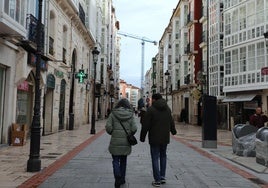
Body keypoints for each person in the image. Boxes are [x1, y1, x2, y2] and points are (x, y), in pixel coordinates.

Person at [140, 93, 177, 187]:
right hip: (165, 137)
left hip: (154, 138)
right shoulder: (167, 109)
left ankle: (157, 180)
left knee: (155, 157)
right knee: (163, 156)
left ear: (154, 99)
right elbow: (171, 121)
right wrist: (173, 131)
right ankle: (162, 177)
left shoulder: (151, 110)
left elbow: (146, 124)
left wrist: (142, 137)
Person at [105, 98, 137, 188]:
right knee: (123, 161)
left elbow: (108, 126)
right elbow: (134, 128)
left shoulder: (113, 114)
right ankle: (122, 179)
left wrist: (112, 132)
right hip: (126, 142)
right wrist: (130, 134)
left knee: (115, 160)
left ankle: (117, 176)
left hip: (115, 141)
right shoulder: (130, 115)